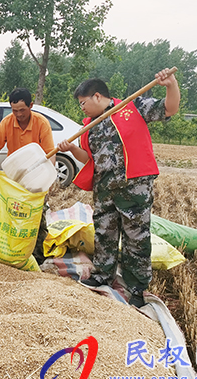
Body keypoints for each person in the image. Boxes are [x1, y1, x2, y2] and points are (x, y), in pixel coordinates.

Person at [57, 69, 180, 308]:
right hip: (104, 188)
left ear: (97, 96)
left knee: (136, 238)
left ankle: (137, 288)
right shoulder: (89, 127)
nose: (81, 108)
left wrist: (170, 85)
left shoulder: (131, 106)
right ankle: (102, 275)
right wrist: (72, 149)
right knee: (105, 233)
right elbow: (89, 158)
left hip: (134, 186)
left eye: (83, 103)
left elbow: (169, 109)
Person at [0, 87, 55, 265]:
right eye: (14, 110)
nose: (18, 114)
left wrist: (48, 177)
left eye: (22, 110)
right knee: (13, 214)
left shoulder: (41, 123)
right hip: (15, 177)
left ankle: (37, 257)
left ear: (31, 105)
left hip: (36, 178)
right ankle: (12, 251)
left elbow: (50, 152)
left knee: (37, 216)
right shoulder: (7, 122)